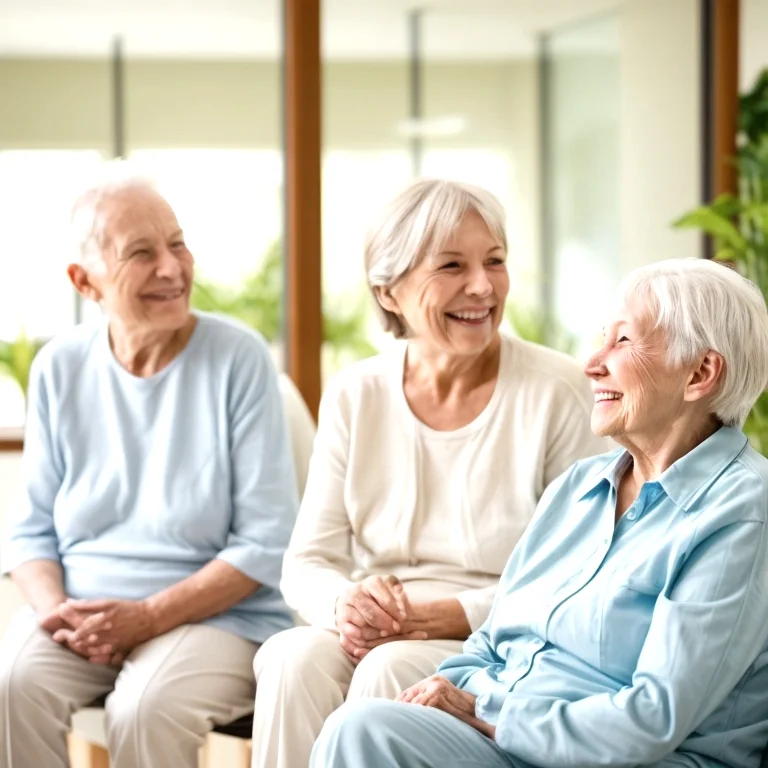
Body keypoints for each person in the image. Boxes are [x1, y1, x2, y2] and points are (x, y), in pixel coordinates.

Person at [311, 257, 768, 768]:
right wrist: (451, 689)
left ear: (700, 374)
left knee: (364, 734)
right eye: (602, 338)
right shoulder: (579, 488)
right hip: (515, 741)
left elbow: (653, 718)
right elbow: (491, 641)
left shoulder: (744, 511)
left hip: (636, 759)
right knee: (364, 725)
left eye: (623, 342)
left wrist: (490, 711)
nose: (592, 363)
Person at [251, 179, 607, 768]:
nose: (483, 286)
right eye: (452, 265)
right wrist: (346, 604)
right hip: (379, 625)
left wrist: (443, 615)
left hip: (502, 637)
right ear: (389, 292)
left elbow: (579, 576)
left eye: (495, 261)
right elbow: (306, 564)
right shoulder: (355, 393)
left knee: (388, 667)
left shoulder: (560, 391)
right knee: (292, 657)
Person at [0, 172, 299, 768]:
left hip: (219, 617)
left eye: (178, 244)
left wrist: (145, 618)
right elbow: (30, 531)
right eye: (142, 253)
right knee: (10, 683)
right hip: (81, 614)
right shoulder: (59, 366)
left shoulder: (238, 359)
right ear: (85, 282)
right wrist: (55, 612)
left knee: (145, 705)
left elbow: (268, 541)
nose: (171, 268)